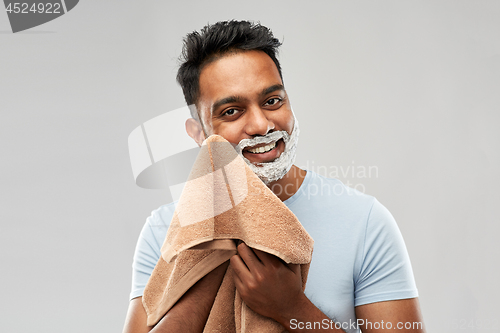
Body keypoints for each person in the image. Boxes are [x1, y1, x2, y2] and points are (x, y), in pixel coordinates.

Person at [122, 20, 425, 333]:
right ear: (198, 134)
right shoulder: (165, 231)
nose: (262, 125)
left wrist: (291, 308)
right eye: (231, 111)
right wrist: (206, 260)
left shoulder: (364, 222)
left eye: (272, 101)